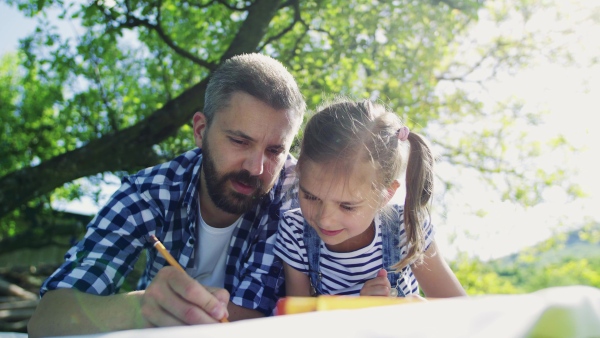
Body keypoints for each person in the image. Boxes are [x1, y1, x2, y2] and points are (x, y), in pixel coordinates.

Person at [28, 53, 306, 336]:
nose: (256, 168)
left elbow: (255, 319)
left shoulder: (301, 199)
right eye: (239, 141)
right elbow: (46, 319)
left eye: (275, 151)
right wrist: (139, 309)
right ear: (200, 130)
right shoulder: (148, 193)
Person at [274, 99, 466, 298]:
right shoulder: (295, 232)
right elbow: (297, 320)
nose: (325, 219)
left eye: (347, 206)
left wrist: (419, 312)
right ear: (299, 171)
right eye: (311, 197)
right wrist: (355, 307)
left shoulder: (405, 228)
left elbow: (460, 311)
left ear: (386, 195)